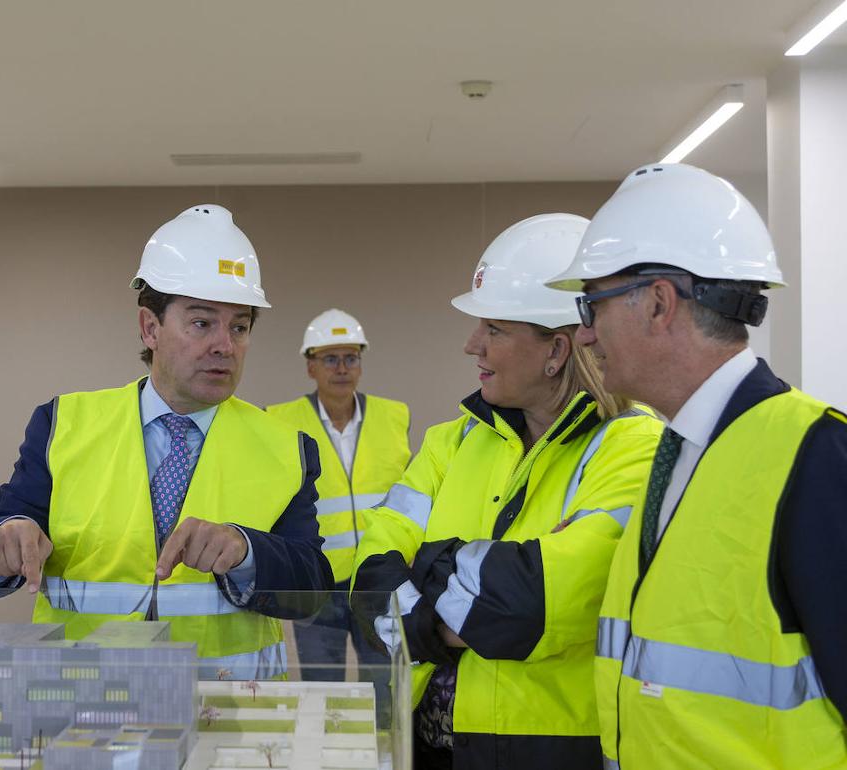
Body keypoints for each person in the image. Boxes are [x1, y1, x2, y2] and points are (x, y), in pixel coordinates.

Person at [545, 163, 847, 769]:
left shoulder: (814, 455)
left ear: (658, 303)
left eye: (590, 307)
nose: (583, 337)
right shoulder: (675, 448)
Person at [0, 204, 334, 680]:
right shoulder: (63, 423)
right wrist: (5, 538)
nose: (225, 345)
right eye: (202, 323)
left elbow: (314, 583)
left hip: (229, 711)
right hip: (85, 701)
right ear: (149, 328)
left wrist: (245, 551)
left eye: (239, 326)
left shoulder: (287, 447)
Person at [353, 213, 662, 770]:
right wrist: (464, 596)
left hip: (555, 752)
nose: (473, 345)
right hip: (425, 744)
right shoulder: (451, 442)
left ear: (557, 351)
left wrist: (425, 568)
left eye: (495, 329)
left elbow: (532, 606)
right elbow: (371, 572)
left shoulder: (634, 447)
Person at [268, 309, 410, 691]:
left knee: (385, 687)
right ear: (310, 366)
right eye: (330, 358)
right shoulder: (282, 421)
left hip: (376, 578)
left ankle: (383, 753)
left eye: (351, 357)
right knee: (321, 688)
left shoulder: (394, 417)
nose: (342, 368)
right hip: (317, 580)